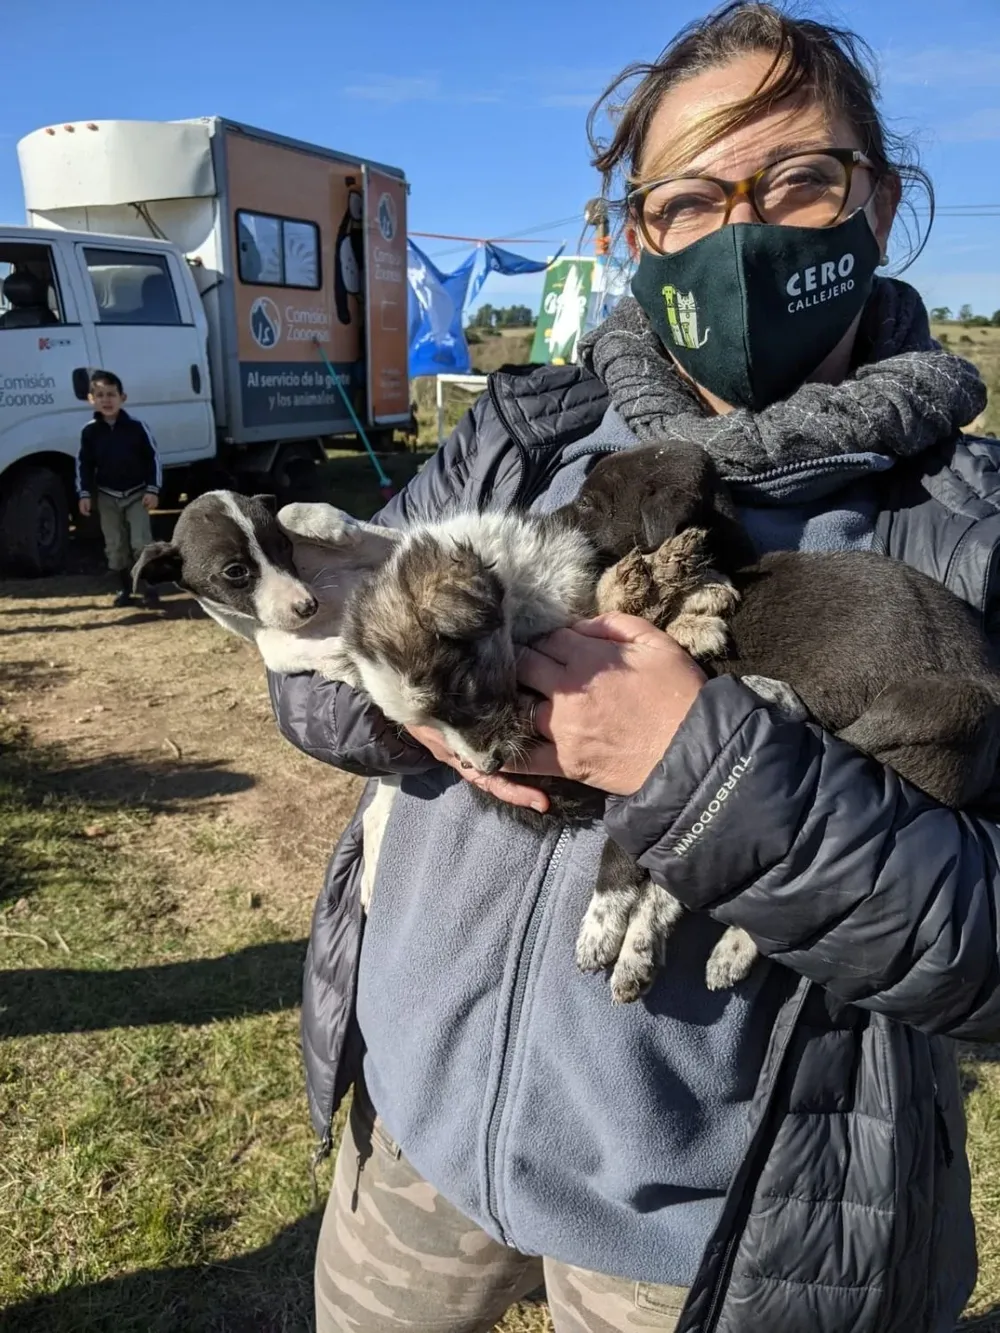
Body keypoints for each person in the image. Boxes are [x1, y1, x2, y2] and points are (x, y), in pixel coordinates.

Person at [270, 5, 1000, 1331]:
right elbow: (311, 682)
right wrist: (431, 694)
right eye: (692, 198)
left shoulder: (967, 527)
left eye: (799, 181)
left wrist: (706, 772)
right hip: (418, 1135)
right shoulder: (523, 428)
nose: (742, 232)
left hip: (710, 1229)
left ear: (876, 203)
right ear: (635, 232)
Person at [76, 370, 161, 608]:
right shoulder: (90, 431)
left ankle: (149, 586)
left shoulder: (136, 427)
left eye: (111, 394)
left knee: (140, 542)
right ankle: (124, 588)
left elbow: (152, 458)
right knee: (115, 545)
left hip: (137, 494)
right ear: (91, 399)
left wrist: (152, 489)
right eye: (100, 395)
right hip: (107, 495)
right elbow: (83, 464)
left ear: (123, 397)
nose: (106, 400)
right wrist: (84, 493)